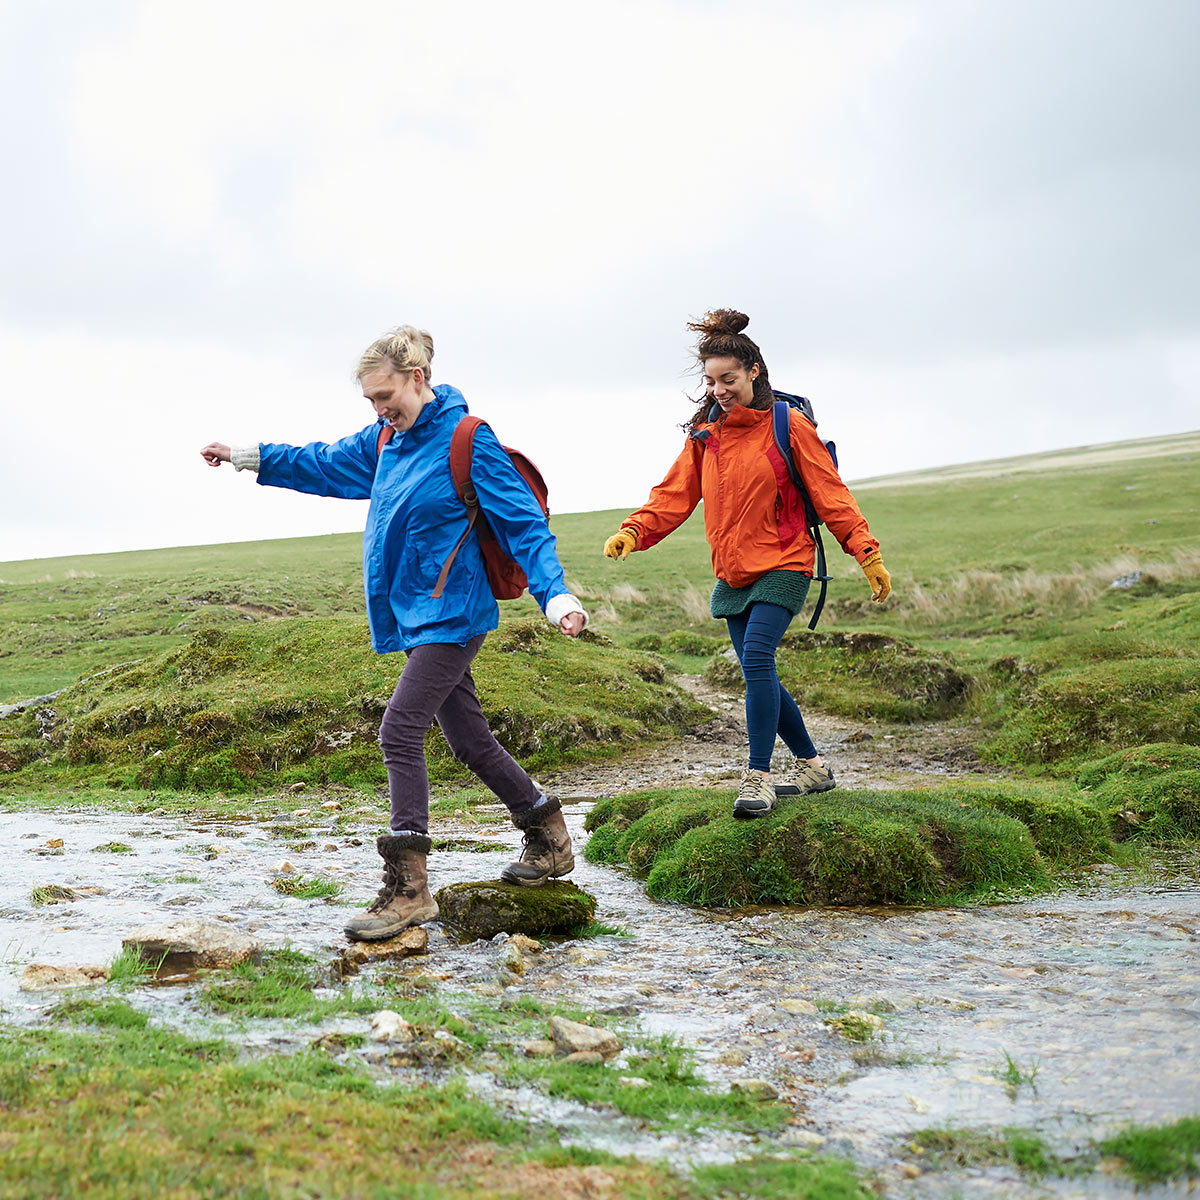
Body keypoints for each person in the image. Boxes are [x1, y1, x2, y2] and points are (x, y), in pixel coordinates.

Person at [201, 325, 587, 940]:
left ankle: (411, 888)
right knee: (468, 740)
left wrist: (555, 594)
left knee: (399, 727)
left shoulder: (468, 440)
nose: (381, 409)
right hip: (415, 615)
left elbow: (523, 525)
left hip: (454, 613)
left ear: (419, 379)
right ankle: (548, 833)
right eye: (371, 400)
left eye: (388, 396)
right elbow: (322, 462)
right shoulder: (384, 441)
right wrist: (249, 455)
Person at [603, 309, 890, 819]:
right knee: (760, 671)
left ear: (754, 371)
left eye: (728, 379)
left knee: (757, 657)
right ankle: (813, 765)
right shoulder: (705, 435)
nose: (719, 389)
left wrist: (865, 552)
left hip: (785, 560)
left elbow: (831, 494)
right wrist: (634, 531)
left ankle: (756, 777)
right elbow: (674, 494)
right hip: (733, 572)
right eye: (711, 380)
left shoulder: (788, 425)